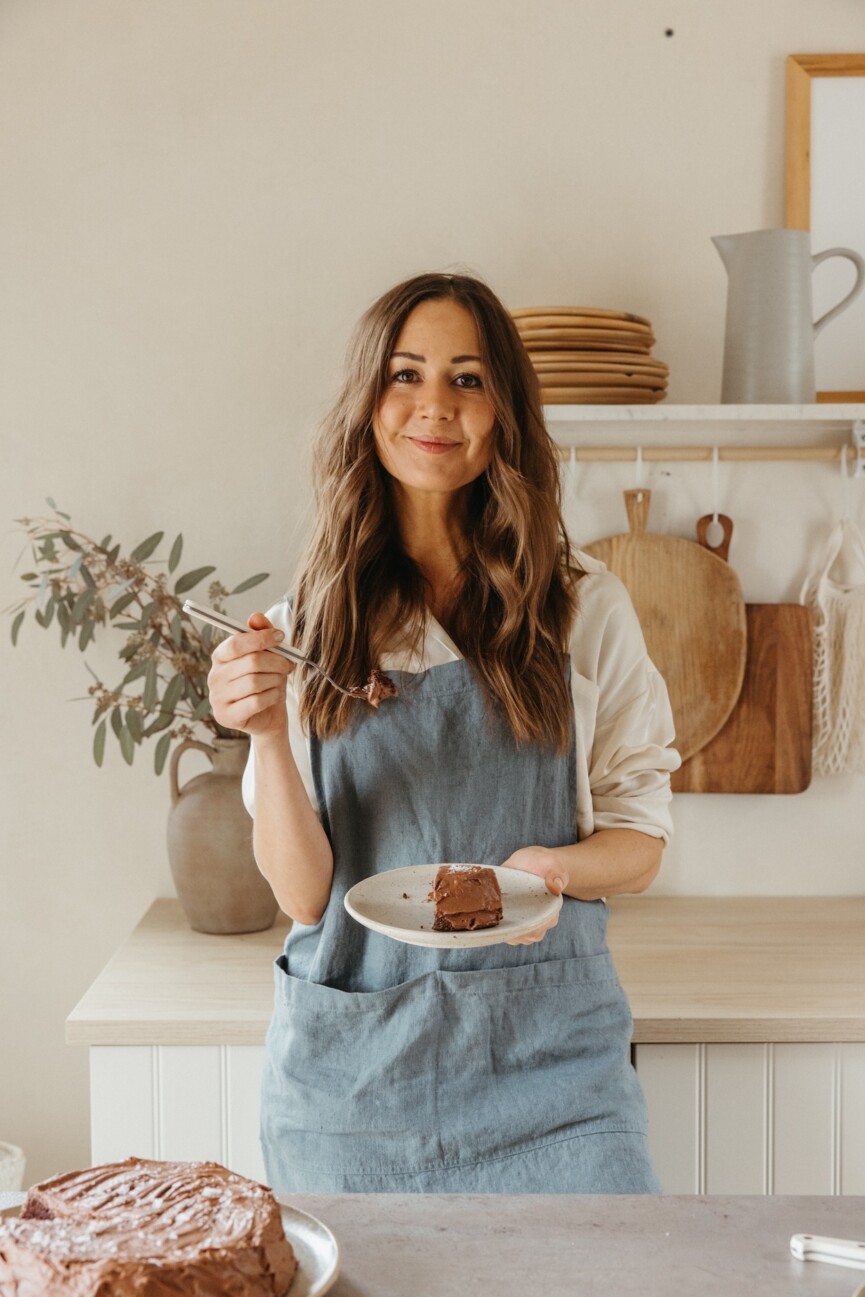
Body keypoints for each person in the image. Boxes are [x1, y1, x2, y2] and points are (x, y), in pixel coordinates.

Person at [207, 271, 680, 1194]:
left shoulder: (585, 609)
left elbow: (641, 840)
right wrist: (265, 731)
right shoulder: (303, 629)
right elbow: (305, 899)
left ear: (504, 407)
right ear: (366, 402)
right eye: (404, 374)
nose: (434, 406)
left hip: (555, 1075)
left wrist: (553, 871)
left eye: (466, 378)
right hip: (352, 1083)